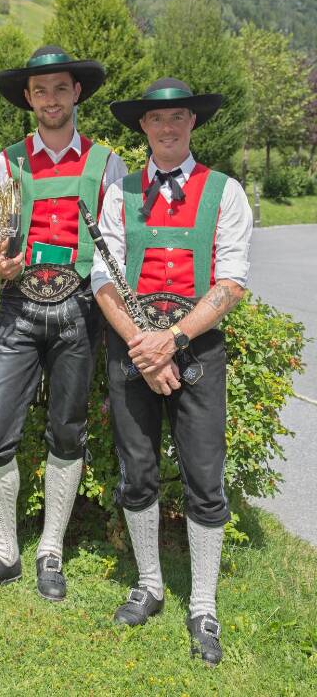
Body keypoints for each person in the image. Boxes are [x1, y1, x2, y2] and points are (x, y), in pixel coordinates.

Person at [90, 77, 253, 666]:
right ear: (143, 128)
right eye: (156, 120)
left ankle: (203, 604)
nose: (167, 128)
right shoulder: (120, 193)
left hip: (198, 351)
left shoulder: (226, 192)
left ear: (192, 124)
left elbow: (231, 281)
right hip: (132, 348)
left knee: (205, 478)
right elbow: (103, 277)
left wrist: (173, 341)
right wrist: (141, 344)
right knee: (138, 472)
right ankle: (151, 585)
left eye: (178, 118)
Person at [0, 45, 126, 601]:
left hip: (81, 312)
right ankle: (6, 549)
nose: (51, 99)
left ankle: (50, 547)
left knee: (66, 430)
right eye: (40, 91)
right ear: (27, 99)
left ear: (76, 93)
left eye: (60, 88)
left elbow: (121, 245)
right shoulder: (4, 163)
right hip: (19, 307)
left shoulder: (108, 164)